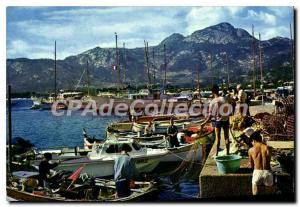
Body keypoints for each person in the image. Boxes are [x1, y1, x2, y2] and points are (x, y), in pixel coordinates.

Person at [201, 85, 230, 156]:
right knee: (226, 137)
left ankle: (216, 153)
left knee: (218, 138)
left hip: (218, 121)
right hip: (226, 120)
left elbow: (210, 116)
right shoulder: (224, 99)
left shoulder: (212, 102)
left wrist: (204, 123)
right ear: (218, 90)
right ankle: (228, 153)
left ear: (212, 92)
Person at [248, 131, 273, 195]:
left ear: (253, 140)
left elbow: (252, 166)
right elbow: (268, 160)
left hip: (257, 172)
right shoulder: (268, 148)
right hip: (267, 172)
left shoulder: (251, 150)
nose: (252, 143)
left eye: (252, 142)